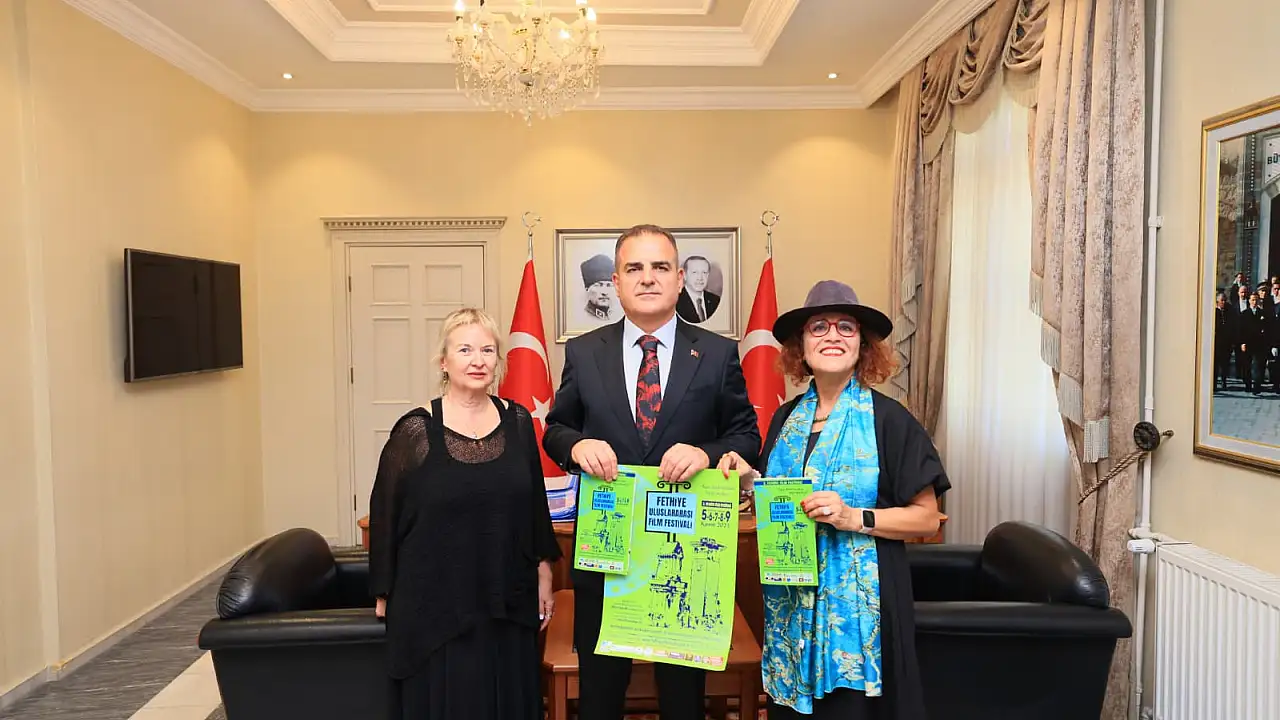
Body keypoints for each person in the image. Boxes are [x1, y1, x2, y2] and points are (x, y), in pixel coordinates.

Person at [543, 224, 762, 720]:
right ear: (617, 282)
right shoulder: (584, 351)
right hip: (607, 549)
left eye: (660, 267)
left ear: (680, 279)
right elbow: (556, 429)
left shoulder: (716, 353)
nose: (648, 278)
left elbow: (747, 436)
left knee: (683, 697)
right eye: (634, 268)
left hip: (685, 551)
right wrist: (577, 445)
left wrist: (707, 454)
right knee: (600, 693)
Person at [718, 280, 950, 720]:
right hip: (791, 603)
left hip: (863, 612)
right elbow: (778, 501)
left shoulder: (889, 420)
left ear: (863, 345)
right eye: (818, 327)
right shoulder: (785, 419)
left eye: (846, 327)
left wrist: (853, 517)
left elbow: (927, 520)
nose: (832, 336)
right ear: (801, 347)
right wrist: (749, 481)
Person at [367, 307, 562, 720]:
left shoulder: (519, 421)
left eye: (488, 350)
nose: (478, 360)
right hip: (436, 604)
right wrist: (384, 591)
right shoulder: (415, 430)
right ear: (444, 361)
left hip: (506, 598)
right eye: (465, 350)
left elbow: (534, 505)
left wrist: (544, 571)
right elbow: (384, 511)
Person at [676, 255, 721, 323]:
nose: (700, 278)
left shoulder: (715, 300)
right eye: (694, 272)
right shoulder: (675, 302)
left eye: (704, 273)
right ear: (684, 275)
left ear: (708, 275)